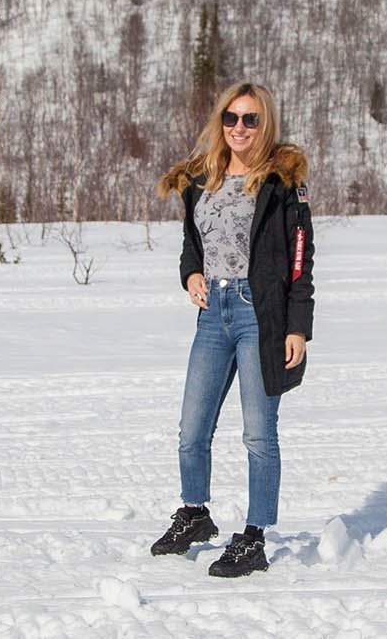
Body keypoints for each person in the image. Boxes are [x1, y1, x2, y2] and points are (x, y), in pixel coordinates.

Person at [150, 81, 315, 577]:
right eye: (231, 118)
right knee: (191, 430)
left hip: (259, 315)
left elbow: (301, 261)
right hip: (212, 314)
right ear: (219, 122)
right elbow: (191, 243)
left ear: (265, 125)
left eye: (250, 119)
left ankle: (255, 536)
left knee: (259, 435)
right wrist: (191, 274)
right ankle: (196, 513)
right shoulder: (201, 177)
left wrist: (297, 328)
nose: (239, 128)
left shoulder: (282, 182)